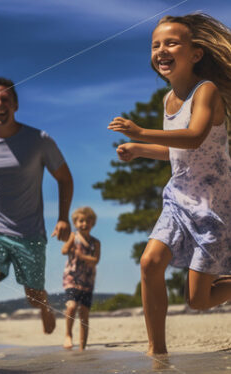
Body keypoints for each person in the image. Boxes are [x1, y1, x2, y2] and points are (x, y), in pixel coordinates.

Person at [108, 13, 231, 356]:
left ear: (195, 53)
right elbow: (176, 149)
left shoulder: (206, 92)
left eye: (172, 43)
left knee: (199, 300)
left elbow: (193, 137)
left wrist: (140, 131)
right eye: (156, 45)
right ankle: (156, 350)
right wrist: (140, 150)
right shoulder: (167, 100)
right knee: (149, 263)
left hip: (211, 204)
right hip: (178, 198)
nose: (162, 50)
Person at [0, 77, 74, 359]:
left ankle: (44, 307)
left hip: (29, 231)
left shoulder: (39, 141)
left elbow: (65, 178)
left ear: (15, 105)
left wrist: (63, 218)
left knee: (33, 294)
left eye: (5, 99)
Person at [60, 207, 100, 351]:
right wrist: (70, 249)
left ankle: (82, 346)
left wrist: (82, 256)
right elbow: (64, 250)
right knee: (71, 306)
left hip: (88, 280)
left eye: (88, 221)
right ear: (75, 223)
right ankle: (68, 334)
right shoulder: (73, 237)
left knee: (84, 312)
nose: (84, 224)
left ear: (92, 223)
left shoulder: (95, 243)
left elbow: (95, 260)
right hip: (71, 277)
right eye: (81, 221)